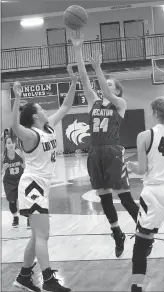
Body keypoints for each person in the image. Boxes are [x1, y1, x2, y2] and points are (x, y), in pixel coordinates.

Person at [71, 30, 139, 258]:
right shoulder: (93, 102)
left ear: (117, 90)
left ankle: (143, 228)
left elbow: (107, 93)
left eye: (110, 85)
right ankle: (117, 232)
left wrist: (98, 68)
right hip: (95, 153)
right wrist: (78, 49)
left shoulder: (119, 103)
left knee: (125, 195)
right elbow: (83, 77)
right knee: (103, 195)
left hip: (112, 151)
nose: (105, 87)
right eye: (104, 84)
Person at [11, 65, 77, 292]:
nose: (46, 109)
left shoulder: (47, 128)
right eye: (41, 108)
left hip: (42, 185)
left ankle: (23, 277)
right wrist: (17, 99)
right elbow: (14, 126)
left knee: (36, 236)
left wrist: (73, 81)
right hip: (32, 185)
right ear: (34, 115)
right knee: (43, 234)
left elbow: (67, 105)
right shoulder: (30, 135)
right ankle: (48, 280)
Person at [127, 96, 164, 292]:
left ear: (155, 113)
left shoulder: (144, 136)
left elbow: (142, 169)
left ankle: (137, 287)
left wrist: (130, 166)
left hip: (155, 193)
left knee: (141, 243)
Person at [2, 135, 25, 227]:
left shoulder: (19, 152)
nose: (11, 144)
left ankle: (28, 218)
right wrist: (3, 168)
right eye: (8, 143)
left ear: (15, 144)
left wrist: (24, 165)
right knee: (12, 203)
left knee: (25, 200)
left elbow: (25, 165)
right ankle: (15, 217)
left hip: (20, 179)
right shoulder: (3, 156)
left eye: (12, 142)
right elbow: (1, 172)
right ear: (5, 145)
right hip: (9, 182)